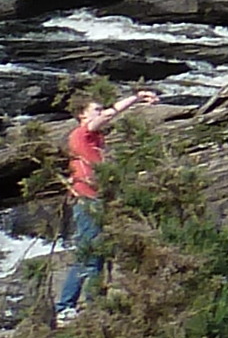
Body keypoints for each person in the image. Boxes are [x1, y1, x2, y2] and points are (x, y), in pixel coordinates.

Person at [56, 88, 158, 317]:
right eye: (96, 110)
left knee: (98, 255)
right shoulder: (82, 133)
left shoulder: (95, 137)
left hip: (98, 198)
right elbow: (109, 116)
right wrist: (137, 97)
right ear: (82, 115)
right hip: (88, 201)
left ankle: (92, 306)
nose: (101, 113)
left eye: (101, 109)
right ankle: (65, 307)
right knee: (88, 255)